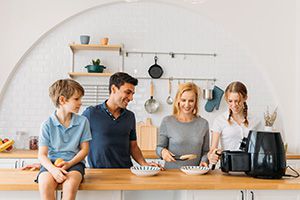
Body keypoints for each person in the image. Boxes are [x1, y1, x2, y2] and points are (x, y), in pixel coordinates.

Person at [82, 72, 160, 168]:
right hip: (99, 174)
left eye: (132, 94)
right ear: (114, 89)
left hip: (125, 172)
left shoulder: (130, 116)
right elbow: (76, 142)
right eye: (127, 92)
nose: (131, 98)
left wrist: (144, 164)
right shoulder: (91, 114)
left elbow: (133, 146)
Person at [37, 79, 92, 200]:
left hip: (74, 164)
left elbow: (85, 150)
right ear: (62, 100)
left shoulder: (83, 122)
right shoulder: (47, 124)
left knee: (70, 186)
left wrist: (68, 164)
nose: (81, 102)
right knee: (45, 186)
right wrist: (53, 170)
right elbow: (42, 155)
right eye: (76, 99)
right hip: (51, 165)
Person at [156, 82, 210, 169]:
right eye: (183, 100)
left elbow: (206, 151)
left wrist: (204, 161)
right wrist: (163, 152)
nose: (187, 105)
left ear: (196, 102)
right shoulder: (167, 121)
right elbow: (159, 148)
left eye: (191, 101)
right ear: (178, 100)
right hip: (172, 174)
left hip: (195, 173)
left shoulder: (203, 124)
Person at [208, 81, 260, 165]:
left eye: (237, 101)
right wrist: (212, 156)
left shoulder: (256, 121)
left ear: (245, 98)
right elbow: (212, 149)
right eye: (230, 101)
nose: (234, 105)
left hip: (250, 169)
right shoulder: (219, 120)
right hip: (228, 168)